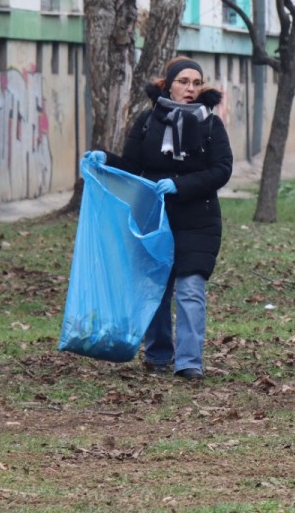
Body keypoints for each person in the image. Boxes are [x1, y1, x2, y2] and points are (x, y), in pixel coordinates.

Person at [85, 56, 233, 381]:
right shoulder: (148, 121)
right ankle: (158, 355)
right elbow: (132, 166)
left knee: (191, 289)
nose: (191, 89)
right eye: (183, 82)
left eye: (196, 83)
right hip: (154, 218)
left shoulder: (210, 124)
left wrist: (180, 185)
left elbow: (221, 169)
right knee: (157, 290)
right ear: (168, 85)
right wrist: (104, 159)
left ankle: (189, 362)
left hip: (199, 221)